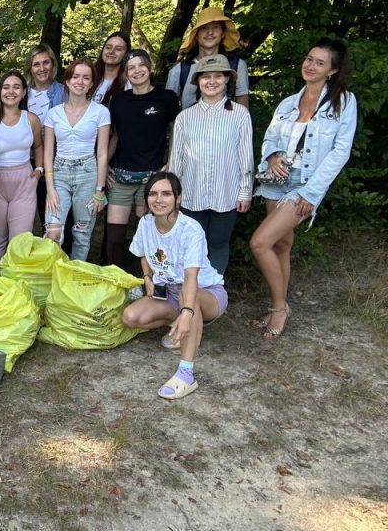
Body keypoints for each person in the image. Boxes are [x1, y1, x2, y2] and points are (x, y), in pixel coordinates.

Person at [249, 39, 357, 340]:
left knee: (259, 243)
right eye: (309, 59)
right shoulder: (287, 103)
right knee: (281, 245)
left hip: (304, 184)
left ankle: (280, 307)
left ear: (333, 70)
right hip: (276, 180)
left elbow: (340, 152)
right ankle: (277, 306)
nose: (310, 65)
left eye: (319, 62)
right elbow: (270, 138)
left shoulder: (344, 102)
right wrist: (271, 156)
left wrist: (311, 193)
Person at [122, 172, 228, 399]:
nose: (158, 199)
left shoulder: (191, 229)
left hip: (206, 292)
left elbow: (191, 276)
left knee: (189, 300)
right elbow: (142, 253)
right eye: (153, 194)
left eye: (166, 194)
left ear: (178, 199)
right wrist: (148, 277)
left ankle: (186, 374)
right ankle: (180, 324)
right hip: (169, 293)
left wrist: (188, 311)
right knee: (130, 317)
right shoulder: (145, 223)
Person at [168, 54, 253, 275]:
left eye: (218, 76)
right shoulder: (185, 117)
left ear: (227, 79)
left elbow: (245, 155)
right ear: (197, 81)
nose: (212, 81)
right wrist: (173, 193)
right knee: (192, 242)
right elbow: (176, 160)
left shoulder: (240, 115)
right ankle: (189, 292)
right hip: (191, 193)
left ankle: (213, 290)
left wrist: (245, 192)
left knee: (218, 242)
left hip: (226, 193)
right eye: (206, 77)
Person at [103, 49, 179, 270]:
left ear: (150, 67)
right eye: (131, 68)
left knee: (146, 233)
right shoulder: (118, 100)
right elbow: (115, 134)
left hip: (152, 179)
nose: (137, 71)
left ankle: (141, 280)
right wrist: (105, 163)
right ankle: (113, 279)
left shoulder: (166, 98)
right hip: (120, 176)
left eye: (141, 65)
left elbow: (175, 131)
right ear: (126, 73)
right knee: (115, 235)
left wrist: (171, 161)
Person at [43, 58, 111, 261]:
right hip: (60, 172)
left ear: (92, 83)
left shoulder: (100, 112)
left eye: (86, 77)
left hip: (88, 173)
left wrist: (100, 190)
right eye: (75, 76)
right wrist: (50, 189)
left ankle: (74, 280)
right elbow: (48, 153)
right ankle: (51, 277)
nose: (80, 81)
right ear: (67, 81)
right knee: (53, 233)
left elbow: (102, 153)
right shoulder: (54, 113)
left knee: (82, 234)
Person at [0, 70, 44, 270]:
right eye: (6, 87)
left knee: (20, 241)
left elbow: (38, 146)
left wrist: (39, 170)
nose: (11, 91)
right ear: (0, 91)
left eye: (16, 87)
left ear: (24, 92)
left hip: (24, 182)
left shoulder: (31, 119)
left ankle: (17, 286)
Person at [166, 7, 249, 109]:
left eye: (216, 27)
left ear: (223, 33)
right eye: (204, 28)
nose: (210, 32)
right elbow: (169, 112)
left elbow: (243, 109)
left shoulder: (237, 65)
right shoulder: (179, 71)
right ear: (196, 35)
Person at [24, 44, 66, 226]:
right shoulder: (21, 93)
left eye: (46, 63)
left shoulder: (65, 92)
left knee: (51, 211)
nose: (42, 68)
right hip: (25, 160)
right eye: (36, 64)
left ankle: (55, 251)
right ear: (30, 68)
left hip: (54, 160)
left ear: (53, 64)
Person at [91, 31, 130, 106]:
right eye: (108, 47)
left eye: (118, 49)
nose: (111, 52)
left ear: (126, 54)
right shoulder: (89, 78)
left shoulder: (128, 86)